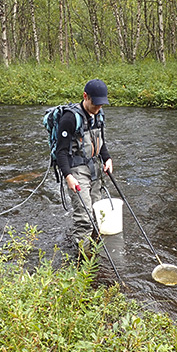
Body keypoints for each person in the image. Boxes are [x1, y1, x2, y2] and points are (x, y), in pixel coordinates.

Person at [55, 79, 113, 250]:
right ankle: (84, 260)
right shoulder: (70, 119)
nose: (98, 108)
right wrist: (68, 176)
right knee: (84, 217)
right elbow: (61, 151)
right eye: (95, 104)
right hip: (76, 169)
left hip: (94, 166)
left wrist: (107, 158)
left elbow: (100, 141)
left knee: (97, 212)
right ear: (85, 97)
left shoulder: (99, 114)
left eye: (101, 105)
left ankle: (95, 250)